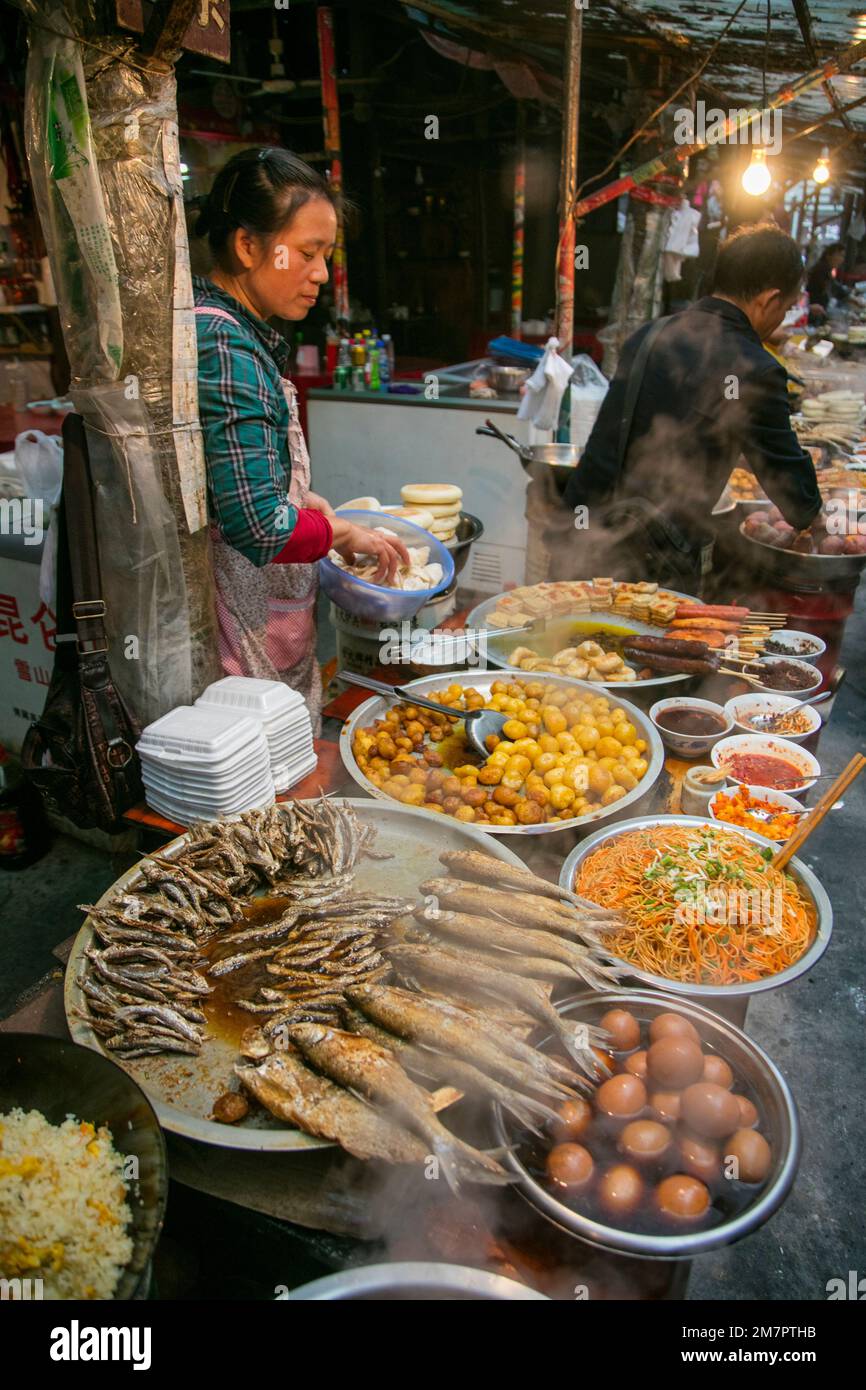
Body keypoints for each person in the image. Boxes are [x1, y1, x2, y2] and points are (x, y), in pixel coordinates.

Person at [193, 147, 408, 732]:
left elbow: (230, 482)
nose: (320, 273)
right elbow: (258, 524)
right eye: (308, 253)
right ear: (247, 246)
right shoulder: (225, 347)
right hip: (239, 642)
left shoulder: (237, 333)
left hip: (263, 620)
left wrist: (307, 508)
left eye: (327, 255)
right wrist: (338, 530)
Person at [549, 222, 822, 588]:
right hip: (650, 564)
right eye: (785, 308)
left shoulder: (649, 335)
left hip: (583, 536)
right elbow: (792, 490)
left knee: (567, 641)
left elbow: (656, 420)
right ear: (769, 300)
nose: (780, 319)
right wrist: (821, 519)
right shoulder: (754, 367)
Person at [806, 242, 850, 321]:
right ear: (828, 255)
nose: (841, 259)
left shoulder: (827, 270)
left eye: (843, 256)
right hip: (814, 312)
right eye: (839, 255)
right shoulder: (821, 270)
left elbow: (836, 288)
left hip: (818, 311)